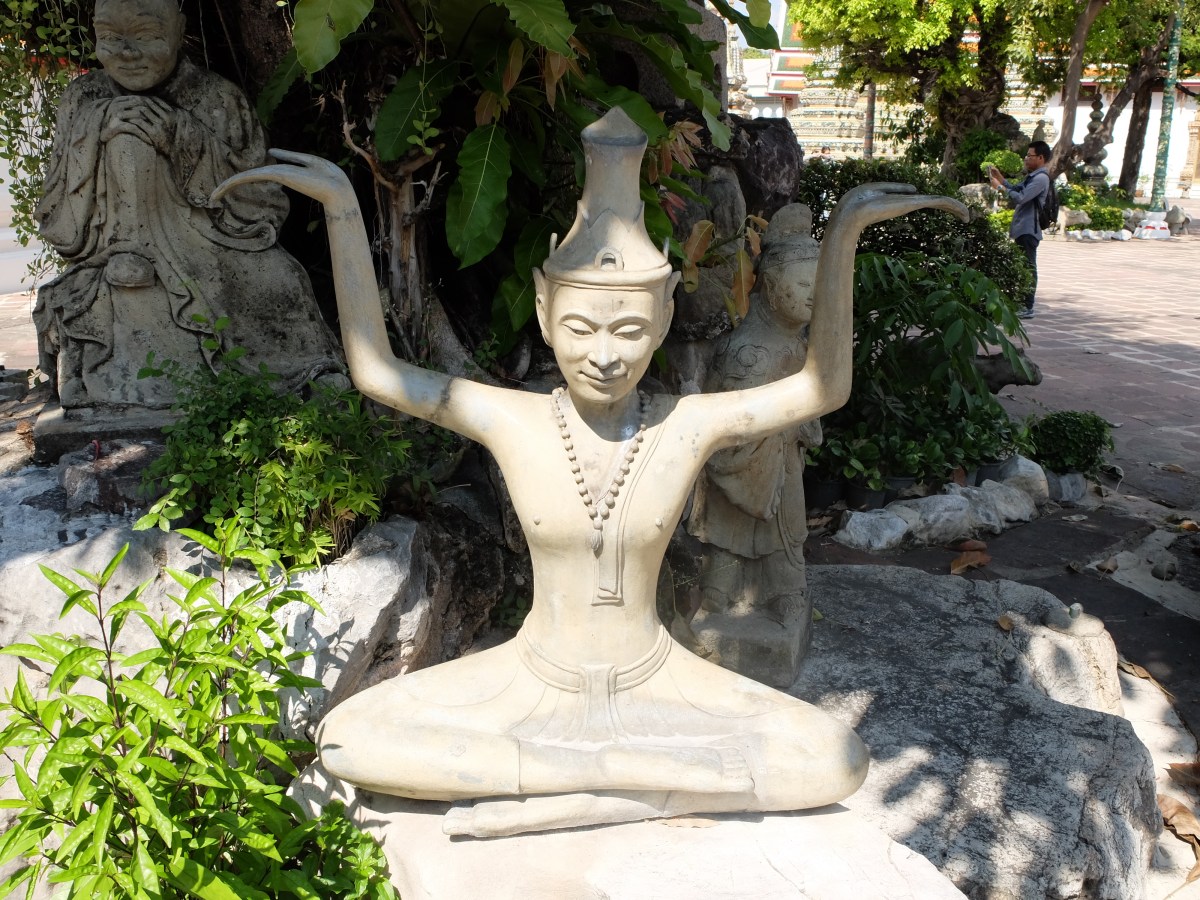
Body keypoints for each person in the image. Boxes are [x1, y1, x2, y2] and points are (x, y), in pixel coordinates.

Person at [215, 107, 968, 838]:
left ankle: (584, 785)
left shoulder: (686, 425)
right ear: (545, 311)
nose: (603, 355)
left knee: (837, 758)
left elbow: (821, 387)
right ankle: (628, 781)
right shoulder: (512, 418)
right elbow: (378, 372)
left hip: (660, 683)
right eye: (580, 327)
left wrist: (845, 233)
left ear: (664, 317)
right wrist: (343, 210)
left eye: (630, 330)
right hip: (527, 681)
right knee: (347, 739)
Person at [34, 0, 341, 409]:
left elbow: (258, 194)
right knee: (124, 143)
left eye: (146, 36)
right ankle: (128, 250)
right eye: (110, 37)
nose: (127, 52)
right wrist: (96, 130)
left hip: (214, 238)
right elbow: (58, 201)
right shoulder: (83, 97)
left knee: (282, 278)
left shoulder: (216, 96)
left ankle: (307, 372)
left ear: (179, 31)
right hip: (115, 248)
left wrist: (182, 137)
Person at [989, 140, 1052, 319]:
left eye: (1030, 156)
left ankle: (1027, 306)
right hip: (1022, 228)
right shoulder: (1033, 177)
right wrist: (1001, 179)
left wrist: (999, 187)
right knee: (1022, 266)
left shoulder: (1040, 178)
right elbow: (1017, 188)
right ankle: (1020, 302)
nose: (1026, 159)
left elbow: (1021, 197)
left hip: (1028, 229)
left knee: (1028, 267)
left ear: (1041, 158)